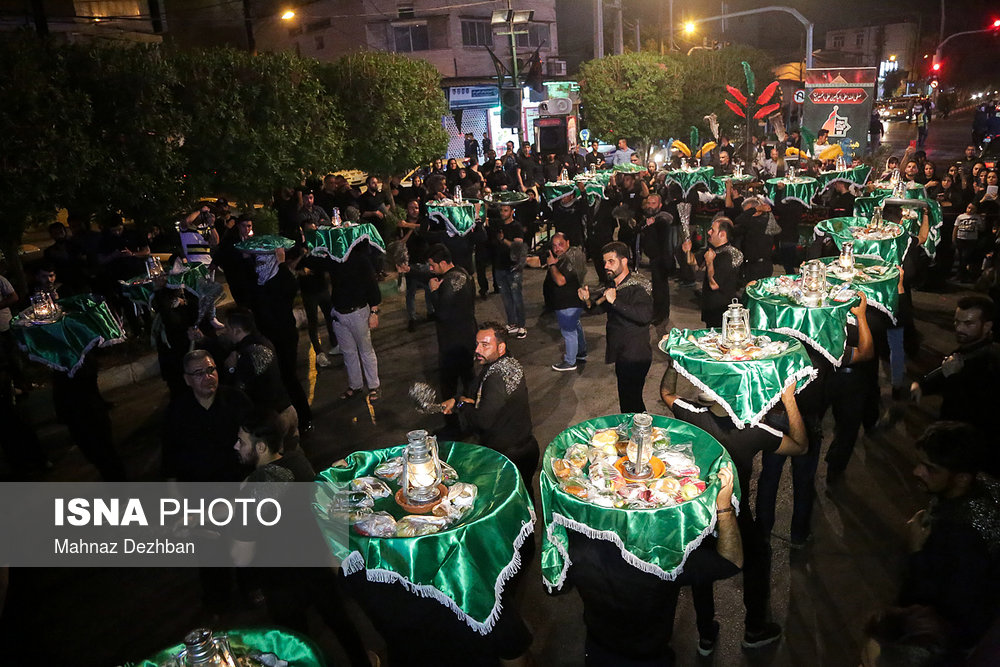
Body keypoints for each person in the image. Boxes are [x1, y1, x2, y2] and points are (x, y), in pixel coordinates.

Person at [662, 374, 807, 650]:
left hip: (698, 514)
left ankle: (706, 633)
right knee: (757, 560)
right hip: (734, 513)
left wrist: (673, 363)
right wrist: (788, 398)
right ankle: (754, 629)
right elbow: (801, 446)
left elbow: (666, 391)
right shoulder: (753, 429)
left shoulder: (690, 413)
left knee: (701, 568)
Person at [562, 465, 742, 663]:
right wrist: (725, 508)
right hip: (651, 655)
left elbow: (556, 588)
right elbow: (731, 562)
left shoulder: (574, 544)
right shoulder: (663, 559)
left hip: (599, 649)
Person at [899, 421, 1000, 649]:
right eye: (919, 463)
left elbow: (935, 602)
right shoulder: (984, 485)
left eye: (930, 468)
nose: (916, 471)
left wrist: (916, 551)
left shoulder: (958, 536)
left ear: (962, 478)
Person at [442, 322, 538, 489]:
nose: (478, 350)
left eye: (485, 345)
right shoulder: (509, 362)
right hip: (525, 447)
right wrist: (461, 399)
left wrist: (461, 406)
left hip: (509, 457)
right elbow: (487, 399)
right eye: (477, 344)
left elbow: (483, 421)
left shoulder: (496, 378)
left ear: (501, 347)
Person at [578, 242, 653, 413]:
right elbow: (596, 307)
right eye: (605, 262)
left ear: (624, 261)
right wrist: (587, 300)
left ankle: (642, 434)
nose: (606, 266)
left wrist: (615, 302)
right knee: (627, 402)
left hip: (635, 356)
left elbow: (645, 316)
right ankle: (635, 433)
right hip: (622, 353)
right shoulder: (614, 285)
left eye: (611, 261)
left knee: (632, 402)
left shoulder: (638, 287)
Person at [911, 295, 1000, 438]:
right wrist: (923, 385)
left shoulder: (991, 362)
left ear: (987, 326)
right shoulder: (968, 348)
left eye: (968, 323)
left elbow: (973, 408)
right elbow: (945, 371)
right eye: (957, 322)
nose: (959, 328)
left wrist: (953, 378)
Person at [163, 349, 251, 482]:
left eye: (210, 370)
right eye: (199, 373)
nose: (207, 377)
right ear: (187, 380)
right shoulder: (177, 410)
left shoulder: (237, 400)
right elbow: (170, 456)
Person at [220, 307, 299, 452]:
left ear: (237, 330)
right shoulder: (264, 341)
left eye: (226, 327)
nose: (224, 331)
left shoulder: (245, 356)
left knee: (278, 468)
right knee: (294, 461)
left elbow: (238, 393)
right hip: (288, 411)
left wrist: (231, 369)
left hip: (273, 423)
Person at [252, 246, 311, 432]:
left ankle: (304, 418)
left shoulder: (281, 278)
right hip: (267, 337)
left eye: (263, 261)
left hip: (284, 335)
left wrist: (281, 263)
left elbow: (291, 286)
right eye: (257, 261)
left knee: (289, 377)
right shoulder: (259, 281)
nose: (259, 266)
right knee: (274, 379)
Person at [325, 242, 382, 401]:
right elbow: (314, 262)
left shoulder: (360, 260)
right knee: (348, 352)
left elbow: (372, 285)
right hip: (339, 313)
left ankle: (373, 386)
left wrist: (374, 311)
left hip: (358, 312)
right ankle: (355, 385)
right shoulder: (333, 259)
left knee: (365, 350)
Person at [295, 222, 338, 366]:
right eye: (310, 231)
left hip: (323, 288)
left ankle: (335, 343)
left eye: (314, 231)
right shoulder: (300, 248)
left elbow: (327, 264)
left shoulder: (321, 246)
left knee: (330, 316)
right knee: (313, 322)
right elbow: (293, 268)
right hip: (309, 292)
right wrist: (302, 260)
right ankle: (319, 353)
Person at [688, 217, 744, 327]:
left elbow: (714, 284)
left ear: (722, 234)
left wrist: (709, 262)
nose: (709, 232)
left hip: (721, 311)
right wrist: (688, 249)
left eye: (712, 230)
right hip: (710, 308)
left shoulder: (727, 256)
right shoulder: (712, 249)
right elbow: (692, 261)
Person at [544, 233, 588, 371]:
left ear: (568, 242)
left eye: (560, 244)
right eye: (554, 246)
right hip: (572, 302)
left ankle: (570, 361)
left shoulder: (570, 259)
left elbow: (560, 281)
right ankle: (580, 353)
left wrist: (551, 265)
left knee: (569, 332)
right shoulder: (566, 257)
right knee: (575, 327)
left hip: (567, 304)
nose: (557, 249)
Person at [396, 199, 434, 331]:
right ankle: (412, 318)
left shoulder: (423, 220)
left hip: (424, 261)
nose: (414, 210)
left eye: (416, 208)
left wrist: (409, 225)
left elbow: (424, 228)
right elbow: (400, 242)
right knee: (410, 292)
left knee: (429, 289)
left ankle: (431, 312)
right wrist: (408, 227)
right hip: (410, 263)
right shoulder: (401, 224)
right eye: (411, 208)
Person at [638, 193, 675, 325]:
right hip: (654, 258)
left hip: (662, 259)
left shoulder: (662, 220)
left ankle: (660, 314)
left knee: (660, 288)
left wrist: (651, 226)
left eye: (653, 203)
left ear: (660, 205)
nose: (650, 206)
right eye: (649, 203)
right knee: (658, 287)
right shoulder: (649, 219)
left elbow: (662, 241)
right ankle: (660, 313)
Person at [492, 203, 527, 339]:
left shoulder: (516, 226)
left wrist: (503, 240)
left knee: (517, 297)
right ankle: (512, 323)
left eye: (505, 210)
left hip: (513, 267)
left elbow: (517, 246)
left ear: (512, 211)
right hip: (499, 266)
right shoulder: (498, 225)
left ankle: (521, 325)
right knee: (506, 298)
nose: (502, 213)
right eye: (501, 210)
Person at [731, 195, 776, 283]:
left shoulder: (762, 222)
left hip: (760, 267)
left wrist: (756, 208)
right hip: (752, 265)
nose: (746, 214)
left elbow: (739, 219)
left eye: (747, 211)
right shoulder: (751, 223)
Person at [953, 203, 985, 282]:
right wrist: (954, 238)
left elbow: (982, 229)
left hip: (971, 240)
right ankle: (960, 275)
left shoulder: (977, 217)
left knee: (965, 257)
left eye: (972, 208)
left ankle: (961, 275)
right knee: (960, 258)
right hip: (961, 238)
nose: (969, 210)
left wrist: (982, 221)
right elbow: (955, 228)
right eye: (968, 207)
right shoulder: (960, 216)